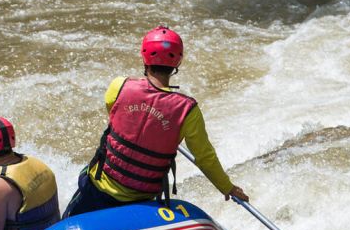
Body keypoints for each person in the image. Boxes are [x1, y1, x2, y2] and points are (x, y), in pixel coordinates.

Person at [64, 26, 249, 217]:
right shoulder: (188, 111)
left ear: (145, 58)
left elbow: (116, 116)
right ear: (177, 63)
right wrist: (227, 188)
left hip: (97, 189)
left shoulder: (119, 86)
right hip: (142, 202)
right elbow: (205, 157)